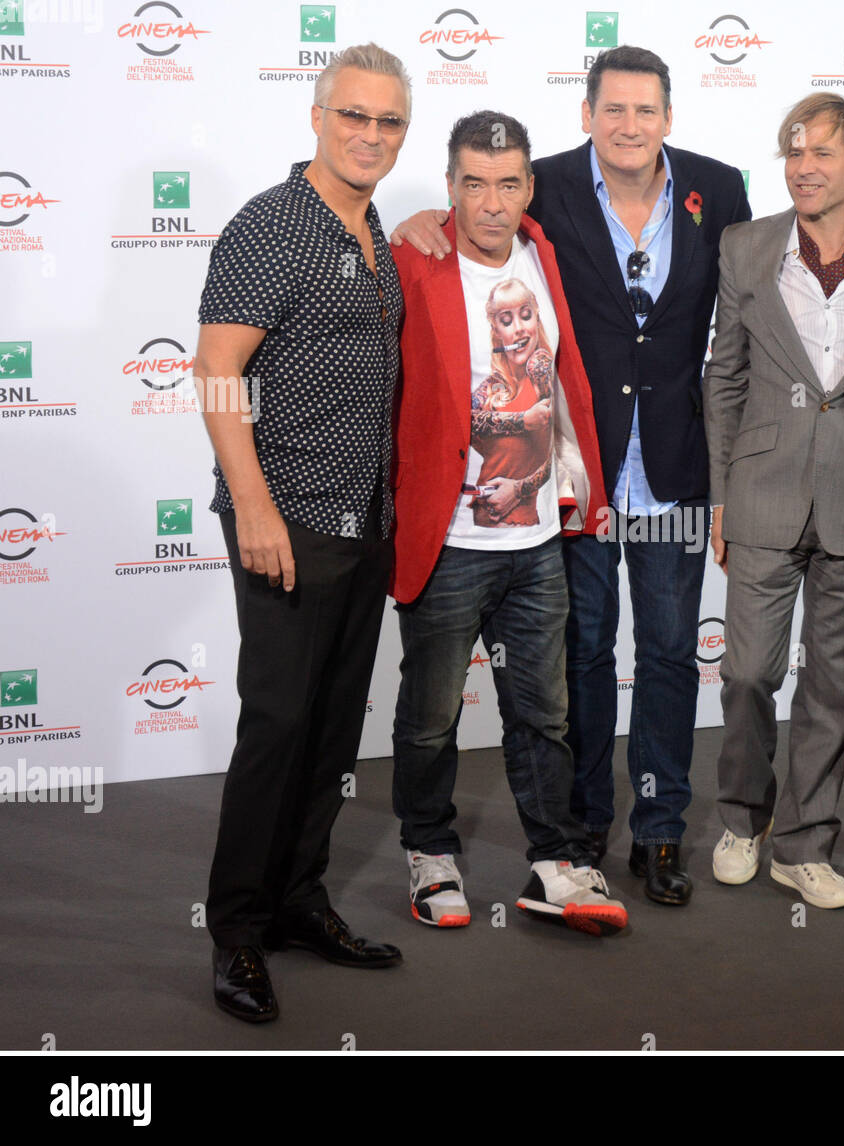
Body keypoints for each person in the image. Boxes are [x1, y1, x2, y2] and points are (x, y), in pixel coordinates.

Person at [392, 46, 751, 907]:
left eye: (646, 110)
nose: (630, 126)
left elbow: (767, 273)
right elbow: (468, 221)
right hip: (577, 483)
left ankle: (659, 832)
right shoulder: (539, 185)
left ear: (669, 115)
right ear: (586, 113)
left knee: (667, 654)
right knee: (581, 656)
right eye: (613, 109)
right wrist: (418, 223)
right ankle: (583, 829)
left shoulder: (720, 189)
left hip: (672, 469)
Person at [195, 43, 411, 1024]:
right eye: (354, 116)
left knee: (329, 737)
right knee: (277, 731)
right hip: (285, 523)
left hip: (363, 521)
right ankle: (237, 934)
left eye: (388, 122)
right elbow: (216, 372)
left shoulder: (378, 239)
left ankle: (296, 901)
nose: (370, 136)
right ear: (318, 118)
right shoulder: (270, 227)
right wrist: (249, 504)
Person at [389, 110, 627, 937]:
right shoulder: (413, 261)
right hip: (450, 540)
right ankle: (429, 852)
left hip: (537, 542)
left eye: (508, 183)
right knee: (430, 715)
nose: (491, 203)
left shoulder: (541, 252)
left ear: (530, 186)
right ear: (449, 186)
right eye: (473, 184)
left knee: (544, 714)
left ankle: (555, 860)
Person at [704, 93, 844, 910]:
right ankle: (742, 819)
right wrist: (722, 495)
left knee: (832, 684)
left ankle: (804, 844)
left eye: (823, 153)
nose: (803, 166)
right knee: (749, 674)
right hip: (762, 491)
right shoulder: (747, 246)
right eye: (793, 152)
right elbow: (723, 376)